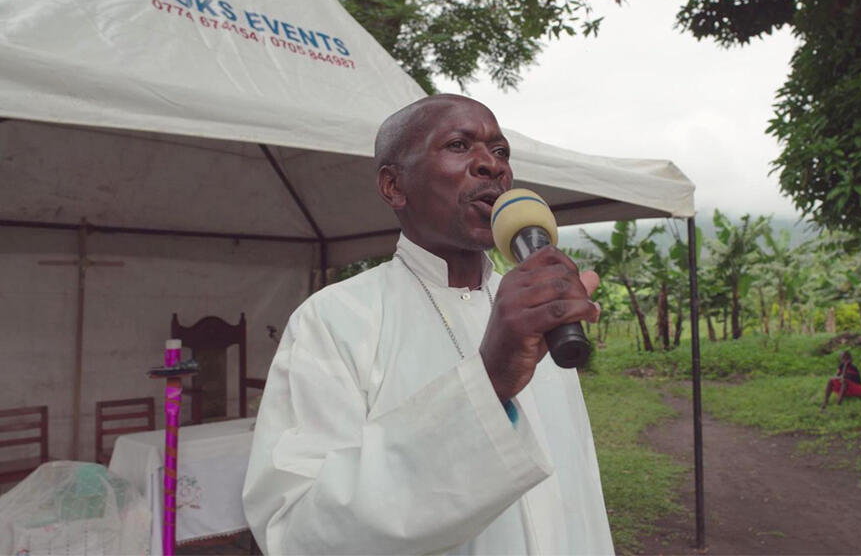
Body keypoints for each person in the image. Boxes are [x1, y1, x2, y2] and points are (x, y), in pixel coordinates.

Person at [242, 94, 613, 554]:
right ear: (393, 186)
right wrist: (487, 385)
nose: (491, 166)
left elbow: (579, 485)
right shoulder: (335, 320)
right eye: (459, 145)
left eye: (501, 152)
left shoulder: (538, 308)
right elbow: (298, 530)